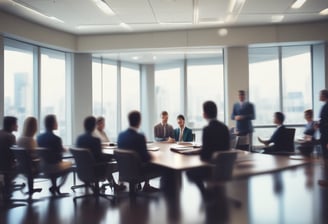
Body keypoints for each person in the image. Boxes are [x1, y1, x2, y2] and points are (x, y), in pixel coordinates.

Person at [186, 101, 230, 198]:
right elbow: (226, 148)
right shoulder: (224, 128)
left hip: (211, 169)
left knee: (189, 172)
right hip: (225, 168)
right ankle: (215, 191)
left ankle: (205, 193)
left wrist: (196, 153)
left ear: (205, 114)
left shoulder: (207, 129)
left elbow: (205, 155)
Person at [76, 116, 125, 191]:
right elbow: (100, 157)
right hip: (95, 169)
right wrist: (111, 157)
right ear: (94, 126)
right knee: (119, 163)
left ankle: (114, 185)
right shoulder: (95, 140)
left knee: (106, 164)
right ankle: (116, 185)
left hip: (82, 169)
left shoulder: (79, 139)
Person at [118, 110, 162, 192]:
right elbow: (146, 158)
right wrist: (154, 156)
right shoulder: (140, 137)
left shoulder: (121, 135)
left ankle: (146, 185)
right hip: (138, 171)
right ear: (139, 121)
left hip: (124, 170)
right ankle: (168, 195)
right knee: (164, 167)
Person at [37, 114, 72, 195]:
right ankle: (58, 187)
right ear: (53, 124)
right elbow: (58, 157)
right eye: (56, 122)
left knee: (56, 163)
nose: (57, 123)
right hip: (53, 166)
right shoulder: (56, 139)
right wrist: (64, 150)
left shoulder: (39, 137)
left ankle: (54, 185)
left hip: (42, 166)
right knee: (70, 164)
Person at [0, 116, 18, 199]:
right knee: (24, 166)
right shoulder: (10, 137)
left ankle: (6, 185)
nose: (17, 126)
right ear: (11, 125)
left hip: (2, 164)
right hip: (6, 165)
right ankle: (7, 188)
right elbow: (14, 154)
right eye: (16, 124)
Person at [317, 89, 328, 187]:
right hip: (324, 135)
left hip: (326, 136)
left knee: (326, 156)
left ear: (324, 96)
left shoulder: (326, 107)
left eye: (320, 95)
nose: (318, 96)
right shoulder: (324, 106)